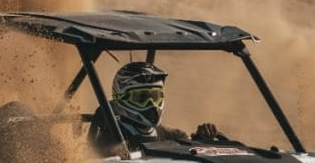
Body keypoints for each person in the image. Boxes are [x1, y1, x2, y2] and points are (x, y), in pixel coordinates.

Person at [88, 61, 225, 152]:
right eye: (141, 98)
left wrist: (201, 141)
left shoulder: (170, 135)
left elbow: (188, 156)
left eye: (155, 97)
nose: (151, 105)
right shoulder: (109, 133)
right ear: (121, 98)